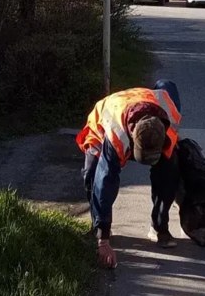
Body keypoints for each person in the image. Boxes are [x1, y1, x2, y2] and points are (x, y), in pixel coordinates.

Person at [77, 80, 182, 268]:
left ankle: (159, 226)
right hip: (102, 128)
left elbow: (167, 85)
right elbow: (105, 182)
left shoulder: (169, 114)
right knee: (93, 175)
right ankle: (99, 229)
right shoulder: (115, 136)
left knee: (169, 169)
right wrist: (103, 240)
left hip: (141, 111)